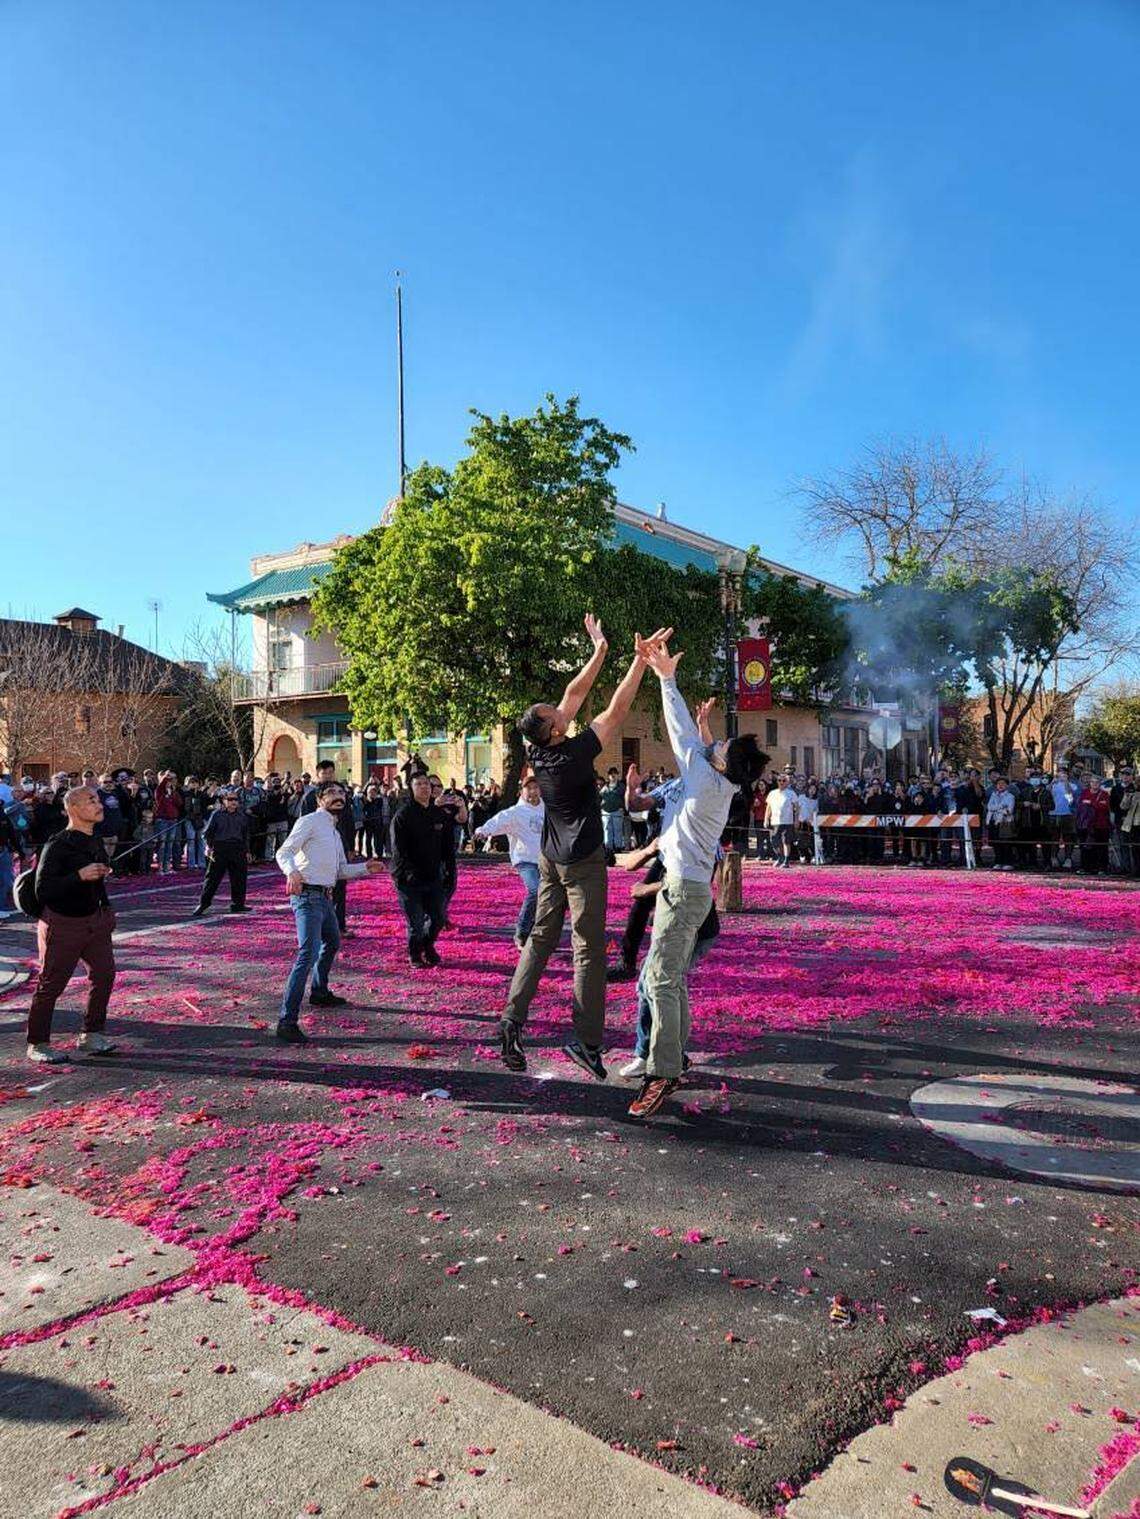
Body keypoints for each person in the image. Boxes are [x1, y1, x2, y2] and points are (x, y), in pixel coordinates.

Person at [499, 613, 667, 1080]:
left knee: (540, 939)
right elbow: (615, 708)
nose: (560, 707)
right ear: (553, 728)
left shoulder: (539, 748)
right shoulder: (573, 755)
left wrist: (599, 650)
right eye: (554, 714)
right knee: (589, 949)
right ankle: (587, 1042)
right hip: (581, 862)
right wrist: (639, 662)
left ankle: (512, 1020)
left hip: (551, 858)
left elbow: (574, 694)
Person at [627, 633, 767, 1118]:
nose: (714, 744)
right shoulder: (723, 785)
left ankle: (661, 1071)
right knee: (669, 979)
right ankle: (676, 1055)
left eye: (721, 745)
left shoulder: (706, 780)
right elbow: (703, 743)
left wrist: (667, 679)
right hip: (688, 890)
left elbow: (681, 733)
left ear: (724, 763)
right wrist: (708, 730)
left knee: (661, 980)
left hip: (684, 892)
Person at [276, 781, 384, 1041]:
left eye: (341, 793)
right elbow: (284, 851)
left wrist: (364, 869)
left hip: (325, 897)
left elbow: (339, 872)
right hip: (307, 897)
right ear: (319, 799)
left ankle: (319, 991)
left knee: (332, 942)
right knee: (308, 953)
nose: (339, 797)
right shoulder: (310, 821)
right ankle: (286, 1021)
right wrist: (292, 872)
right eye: (332, 793)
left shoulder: (335, 833)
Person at [25, 786, 118, 1063]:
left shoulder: (96, 840)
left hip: (95, 922)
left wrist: (107, 908)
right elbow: (44, 890)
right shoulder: (57, 844)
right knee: (51, 984)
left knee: (104, 975)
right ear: (73, 808)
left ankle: (92, 1034)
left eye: (98, 800)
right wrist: (78, 875)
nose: (98, 804)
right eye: (91, 801)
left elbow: (98, 880)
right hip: (63, 923)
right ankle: (37, 1042)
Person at [473, 774, 545, 949]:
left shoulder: (548, 809)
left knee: (548, 897)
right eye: (529, 788)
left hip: (546, 860)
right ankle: (521, 931)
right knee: (534, 890)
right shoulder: (515, 812)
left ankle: (538, 932)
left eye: (536, 788)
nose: (533, 792)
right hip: (525, 860)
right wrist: (483, 830)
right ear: (522, 791)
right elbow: (498, 821)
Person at [390, 773, 451, 966]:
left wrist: (448, 870)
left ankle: (427, 944)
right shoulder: (403, 815)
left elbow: (447, 847)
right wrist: (405, 874)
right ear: (411, 787)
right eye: (419, 784)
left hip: (433, 876)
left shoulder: (438, 813)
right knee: (415, 922)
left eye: (427, 784)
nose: (424, 787)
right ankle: (415, 955)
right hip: (409, 879)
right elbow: (397, 850)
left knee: (438, 918)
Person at [301, 759, 357, 932]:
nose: (327, 776)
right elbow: (303, 825)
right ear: (317, 775)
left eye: (330, 773)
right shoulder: (310, 798)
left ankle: (339, 926)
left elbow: (349, 822)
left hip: (340, 846)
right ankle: (318, 927)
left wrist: (350, 847)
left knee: (340, 886)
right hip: (317, 849)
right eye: (324, 773)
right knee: (319, 889)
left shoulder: (341, 794)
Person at [191, 788, 252, 917]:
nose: (233, 802)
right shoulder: (217, 814)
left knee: (239, 878)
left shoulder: (242, 815)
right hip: (220, 848)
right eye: (230, 799)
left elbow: (246, 835)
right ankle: (204, 903)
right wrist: (209, 847)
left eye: (235, 799)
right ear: (224, 801)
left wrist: (247, 851)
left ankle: (238, 904)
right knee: (212, 878)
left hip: (238, 848)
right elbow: (207, 833)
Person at [1076, 775, 1111, 875]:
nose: (1094, 784)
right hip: (1086, 825)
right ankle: (1086, 867)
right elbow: (1081, 805)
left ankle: (1102, 868)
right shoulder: (1085, 792)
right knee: (1086, 847)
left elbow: (1104, 807)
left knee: (1102, 848)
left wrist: (1091, 803)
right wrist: (1095, 804)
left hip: (1101, 824)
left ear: (1100, 784)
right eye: (1092, 782)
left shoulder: (1104, 794)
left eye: (1096, 782)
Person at [764, 773, 797, 867]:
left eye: (784, 780)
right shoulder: (772, 793)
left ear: (787, 782)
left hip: (787, 821)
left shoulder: (791, 793)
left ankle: (786, 861)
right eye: (779, 780)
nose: (781, 782)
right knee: (774, 841)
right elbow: (768, 807)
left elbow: (797, 807)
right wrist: (766, 819)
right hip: (774, 821)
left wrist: (796, 820)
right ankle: (780, 857)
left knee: (786, 842)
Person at [986, 775, 1016, 870]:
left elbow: (1009, 810)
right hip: (993, 821)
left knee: (1006, 843)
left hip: (1005, 822)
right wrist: (1001, 807)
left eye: (1003, 784)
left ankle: (1008, 862)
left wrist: (998, 809)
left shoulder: (1010, 796)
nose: (1000, 785)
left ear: (1007, 785)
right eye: (999, 784)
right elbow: (989, 807)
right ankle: (998, 861)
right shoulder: (993, 795)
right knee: (996, 843)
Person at [599, 767, 626, 864]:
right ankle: (608, 847)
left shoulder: (621, 786)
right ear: (609, 776)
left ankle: (618, 847)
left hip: (617, 811)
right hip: (605, 812)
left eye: (615, 774)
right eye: (611, 774)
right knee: (607, 829)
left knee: (617, 829)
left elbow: (625, 798)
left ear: (617, 775)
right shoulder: (605, 786)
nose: (613, 776)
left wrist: (623, 807)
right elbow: (600, 796)